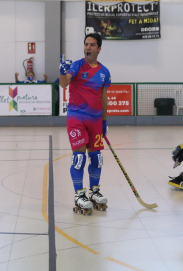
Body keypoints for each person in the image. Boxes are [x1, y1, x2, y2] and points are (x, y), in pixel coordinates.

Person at [59, 33, 111, 214]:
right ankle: (79, 194)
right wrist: (61, 71)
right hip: (77, 118)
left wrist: (104, 121)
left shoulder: (105, 72)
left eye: (92, 45)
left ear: (99, 48)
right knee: (79, 158)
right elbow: (64, 84)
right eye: (86, 44)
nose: (88, 47)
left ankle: (94, 191)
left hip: (96, 120)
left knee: (97, 158)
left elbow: (104, 98)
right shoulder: (77, 66)